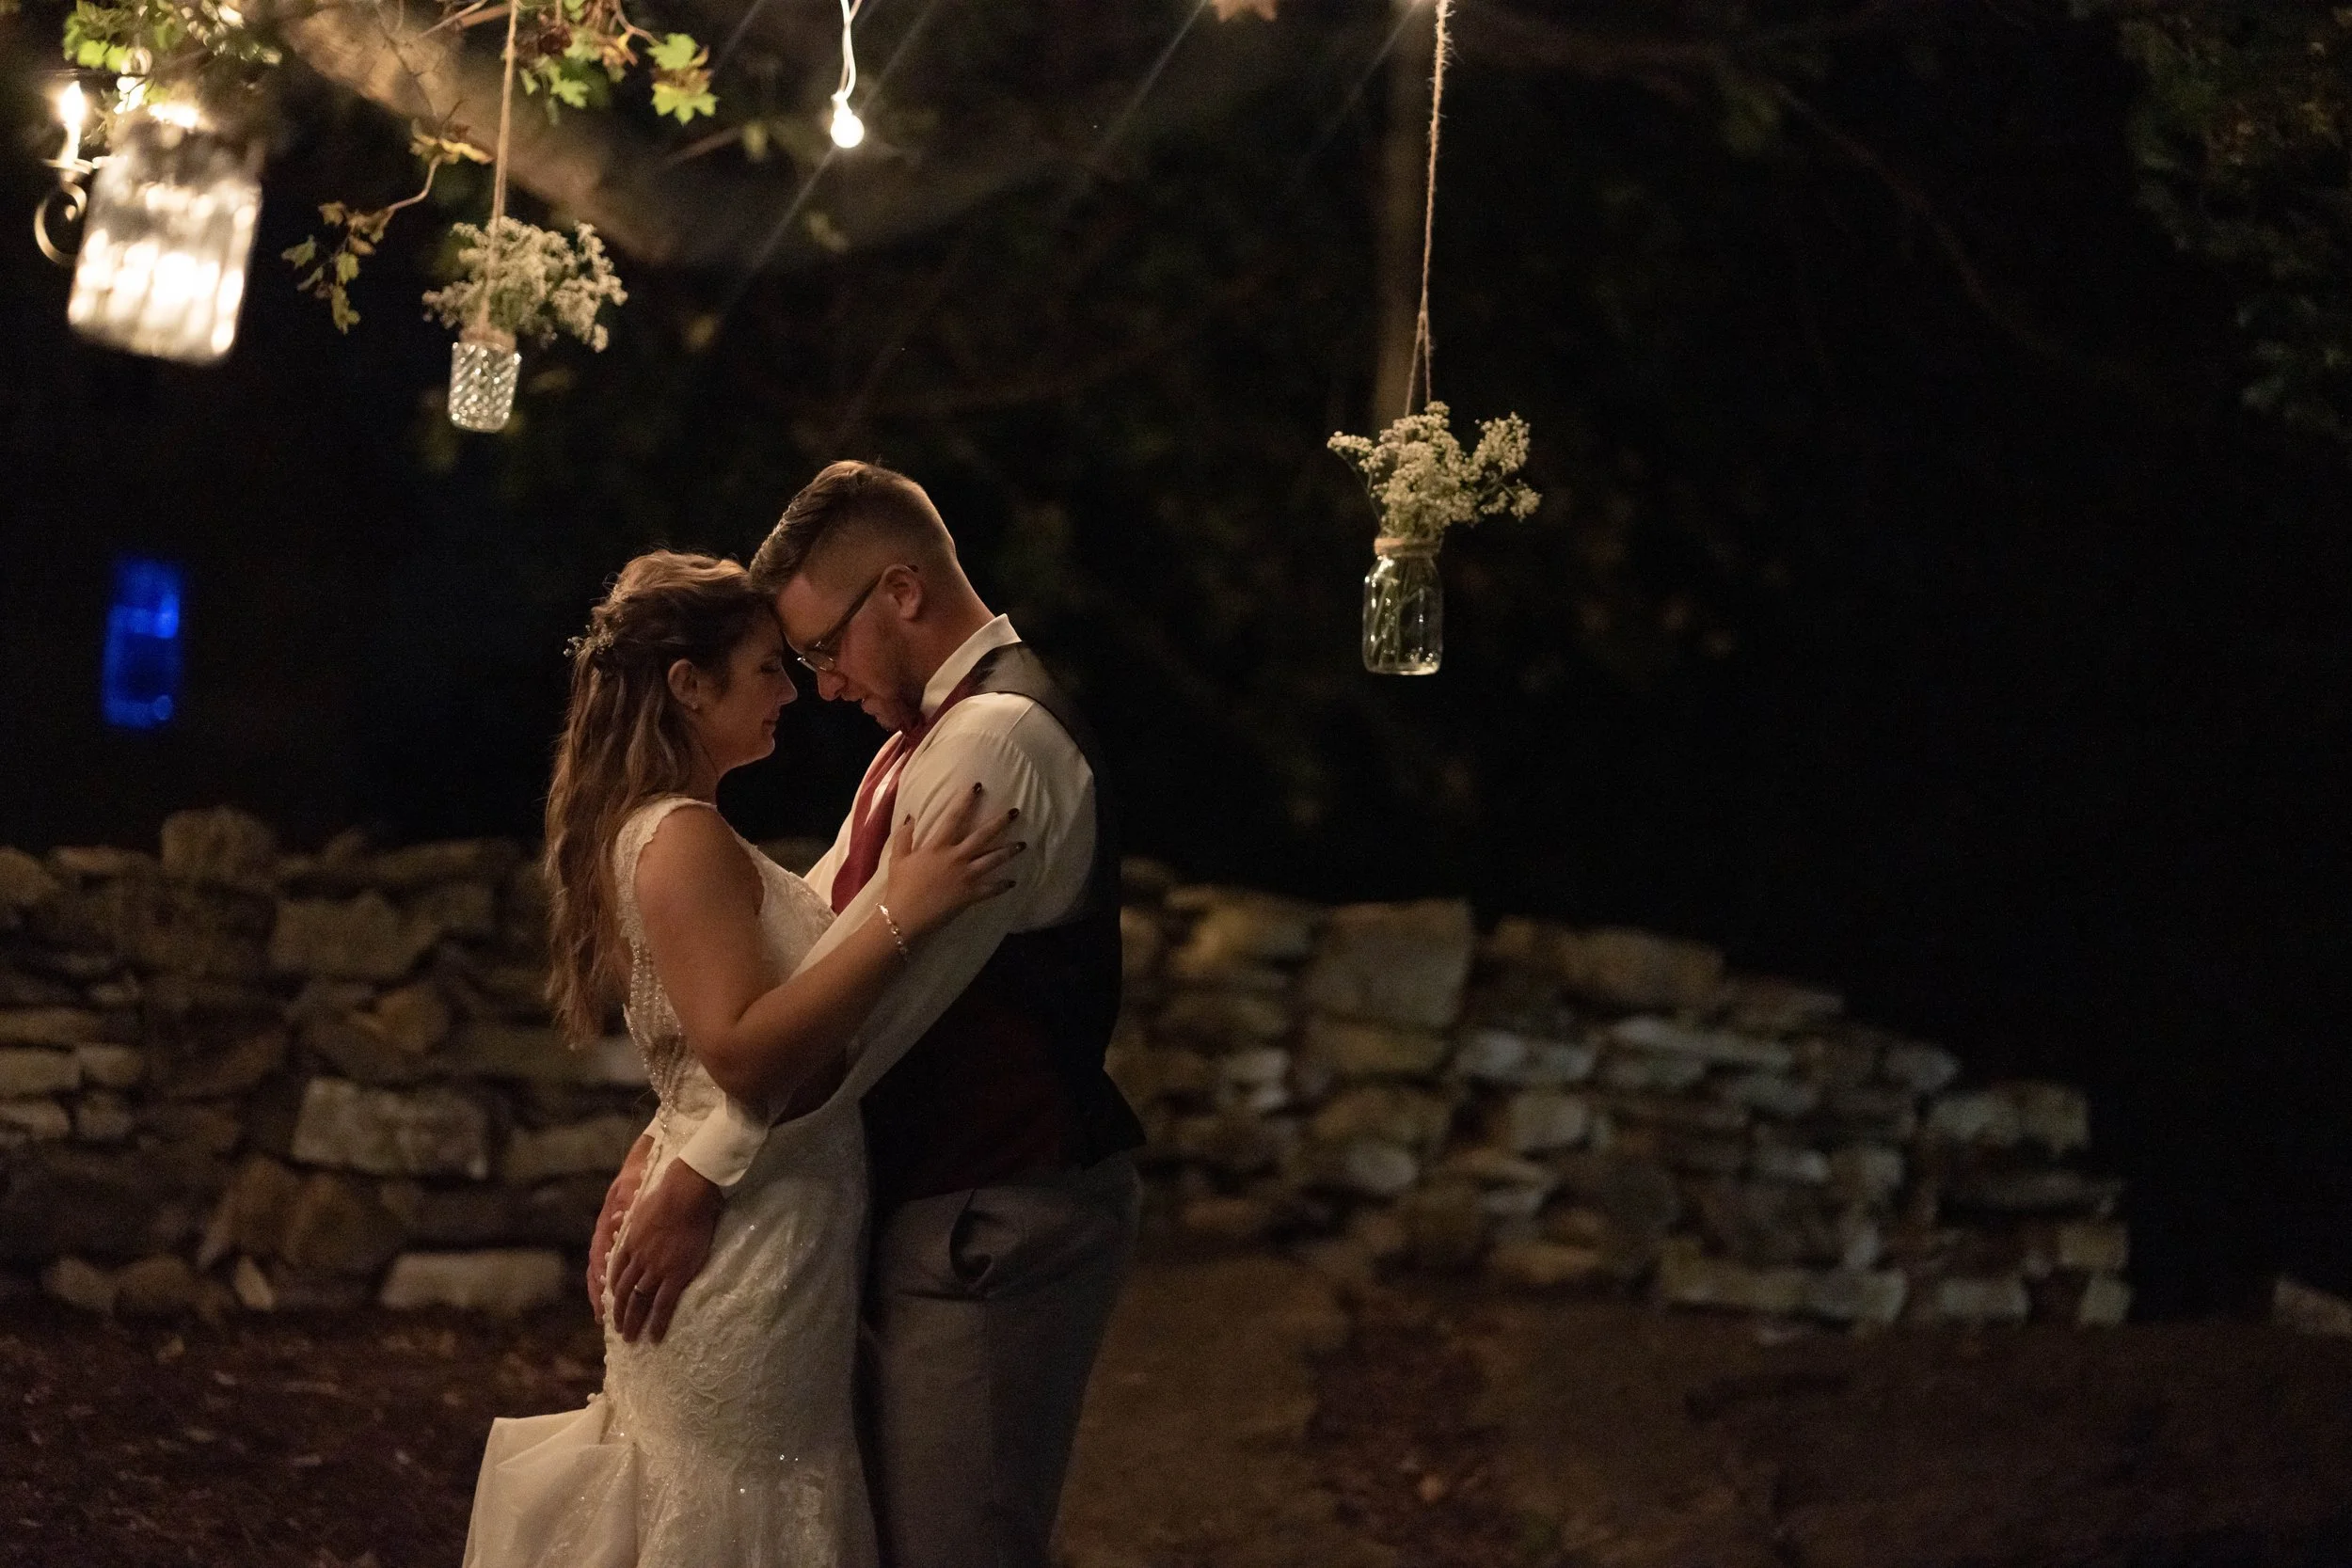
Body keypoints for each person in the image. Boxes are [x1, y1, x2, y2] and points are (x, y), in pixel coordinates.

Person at [610, 462, 1148, 1568]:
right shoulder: (919, 744)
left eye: (822, 648)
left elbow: (867, 1021)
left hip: (991, 1212)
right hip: (916, 1209)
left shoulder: (995, 743)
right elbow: (804, 946)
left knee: (959, 1542)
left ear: (900, 590)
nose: (820, 683)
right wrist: (660, 1133)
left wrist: (697, 1172)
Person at [461, 550, 1021, 1568]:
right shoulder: (682, 840)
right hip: (748, 1244)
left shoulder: (676, 833)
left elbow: (697, 1048)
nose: (791, 690)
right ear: (688, 684)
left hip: (769, 1222)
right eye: (767, 666)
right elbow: (740, 1053)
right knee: (741, 1498)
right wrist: (909, 907)